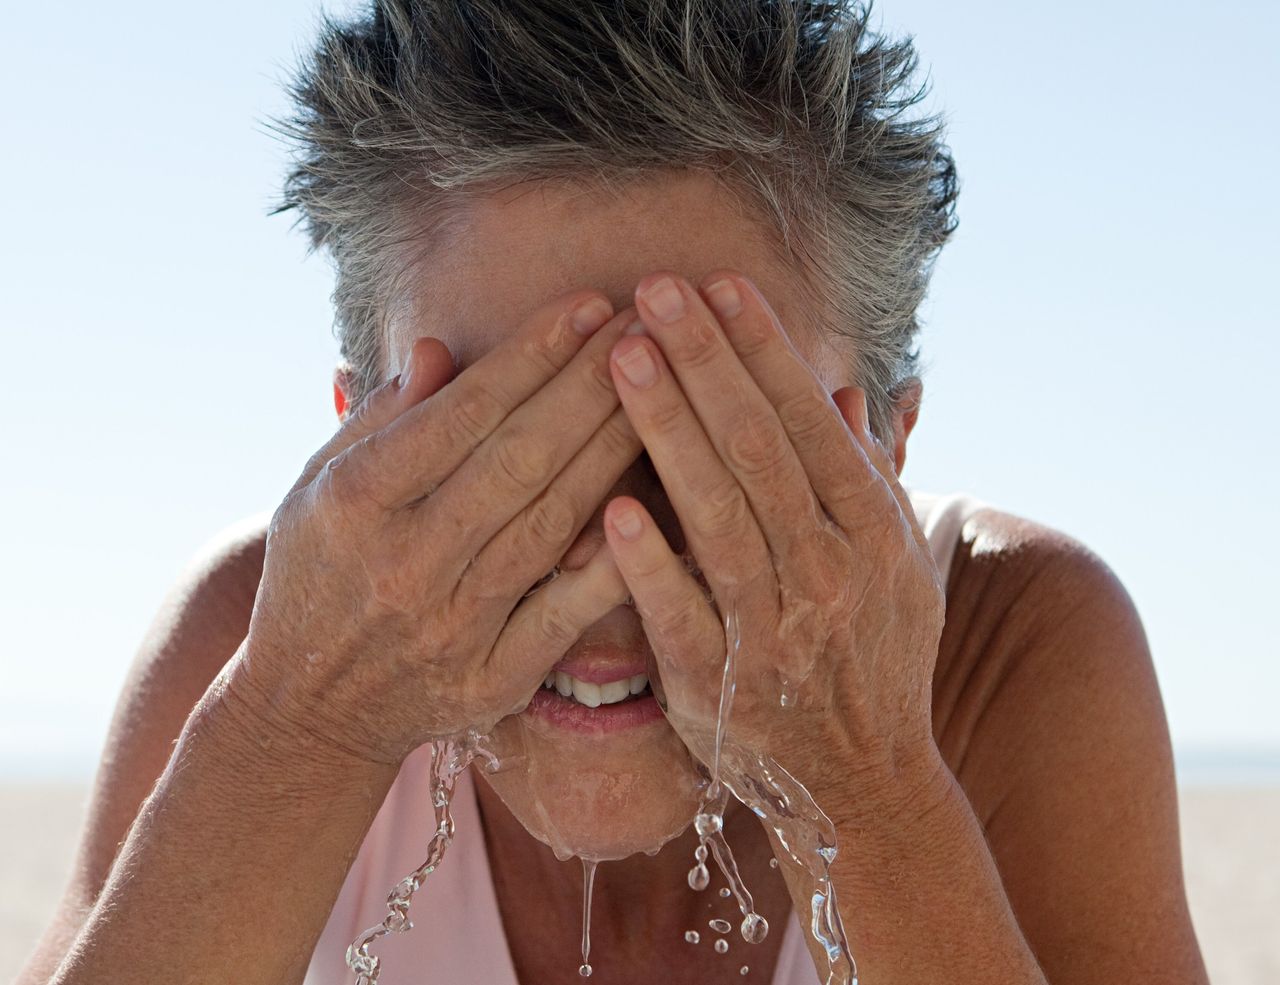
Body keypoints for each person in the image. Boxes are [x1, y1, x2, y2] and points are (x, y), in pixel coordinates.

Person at [18, 2, 1209, 984]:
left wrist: (873, 782)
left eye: (701, 436)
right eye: (505, 447)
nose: (604, 559)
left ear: (884, 445)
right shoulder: (260, 646)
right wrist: (296, 728)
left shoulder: (1007, 652)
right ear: (350, 448)